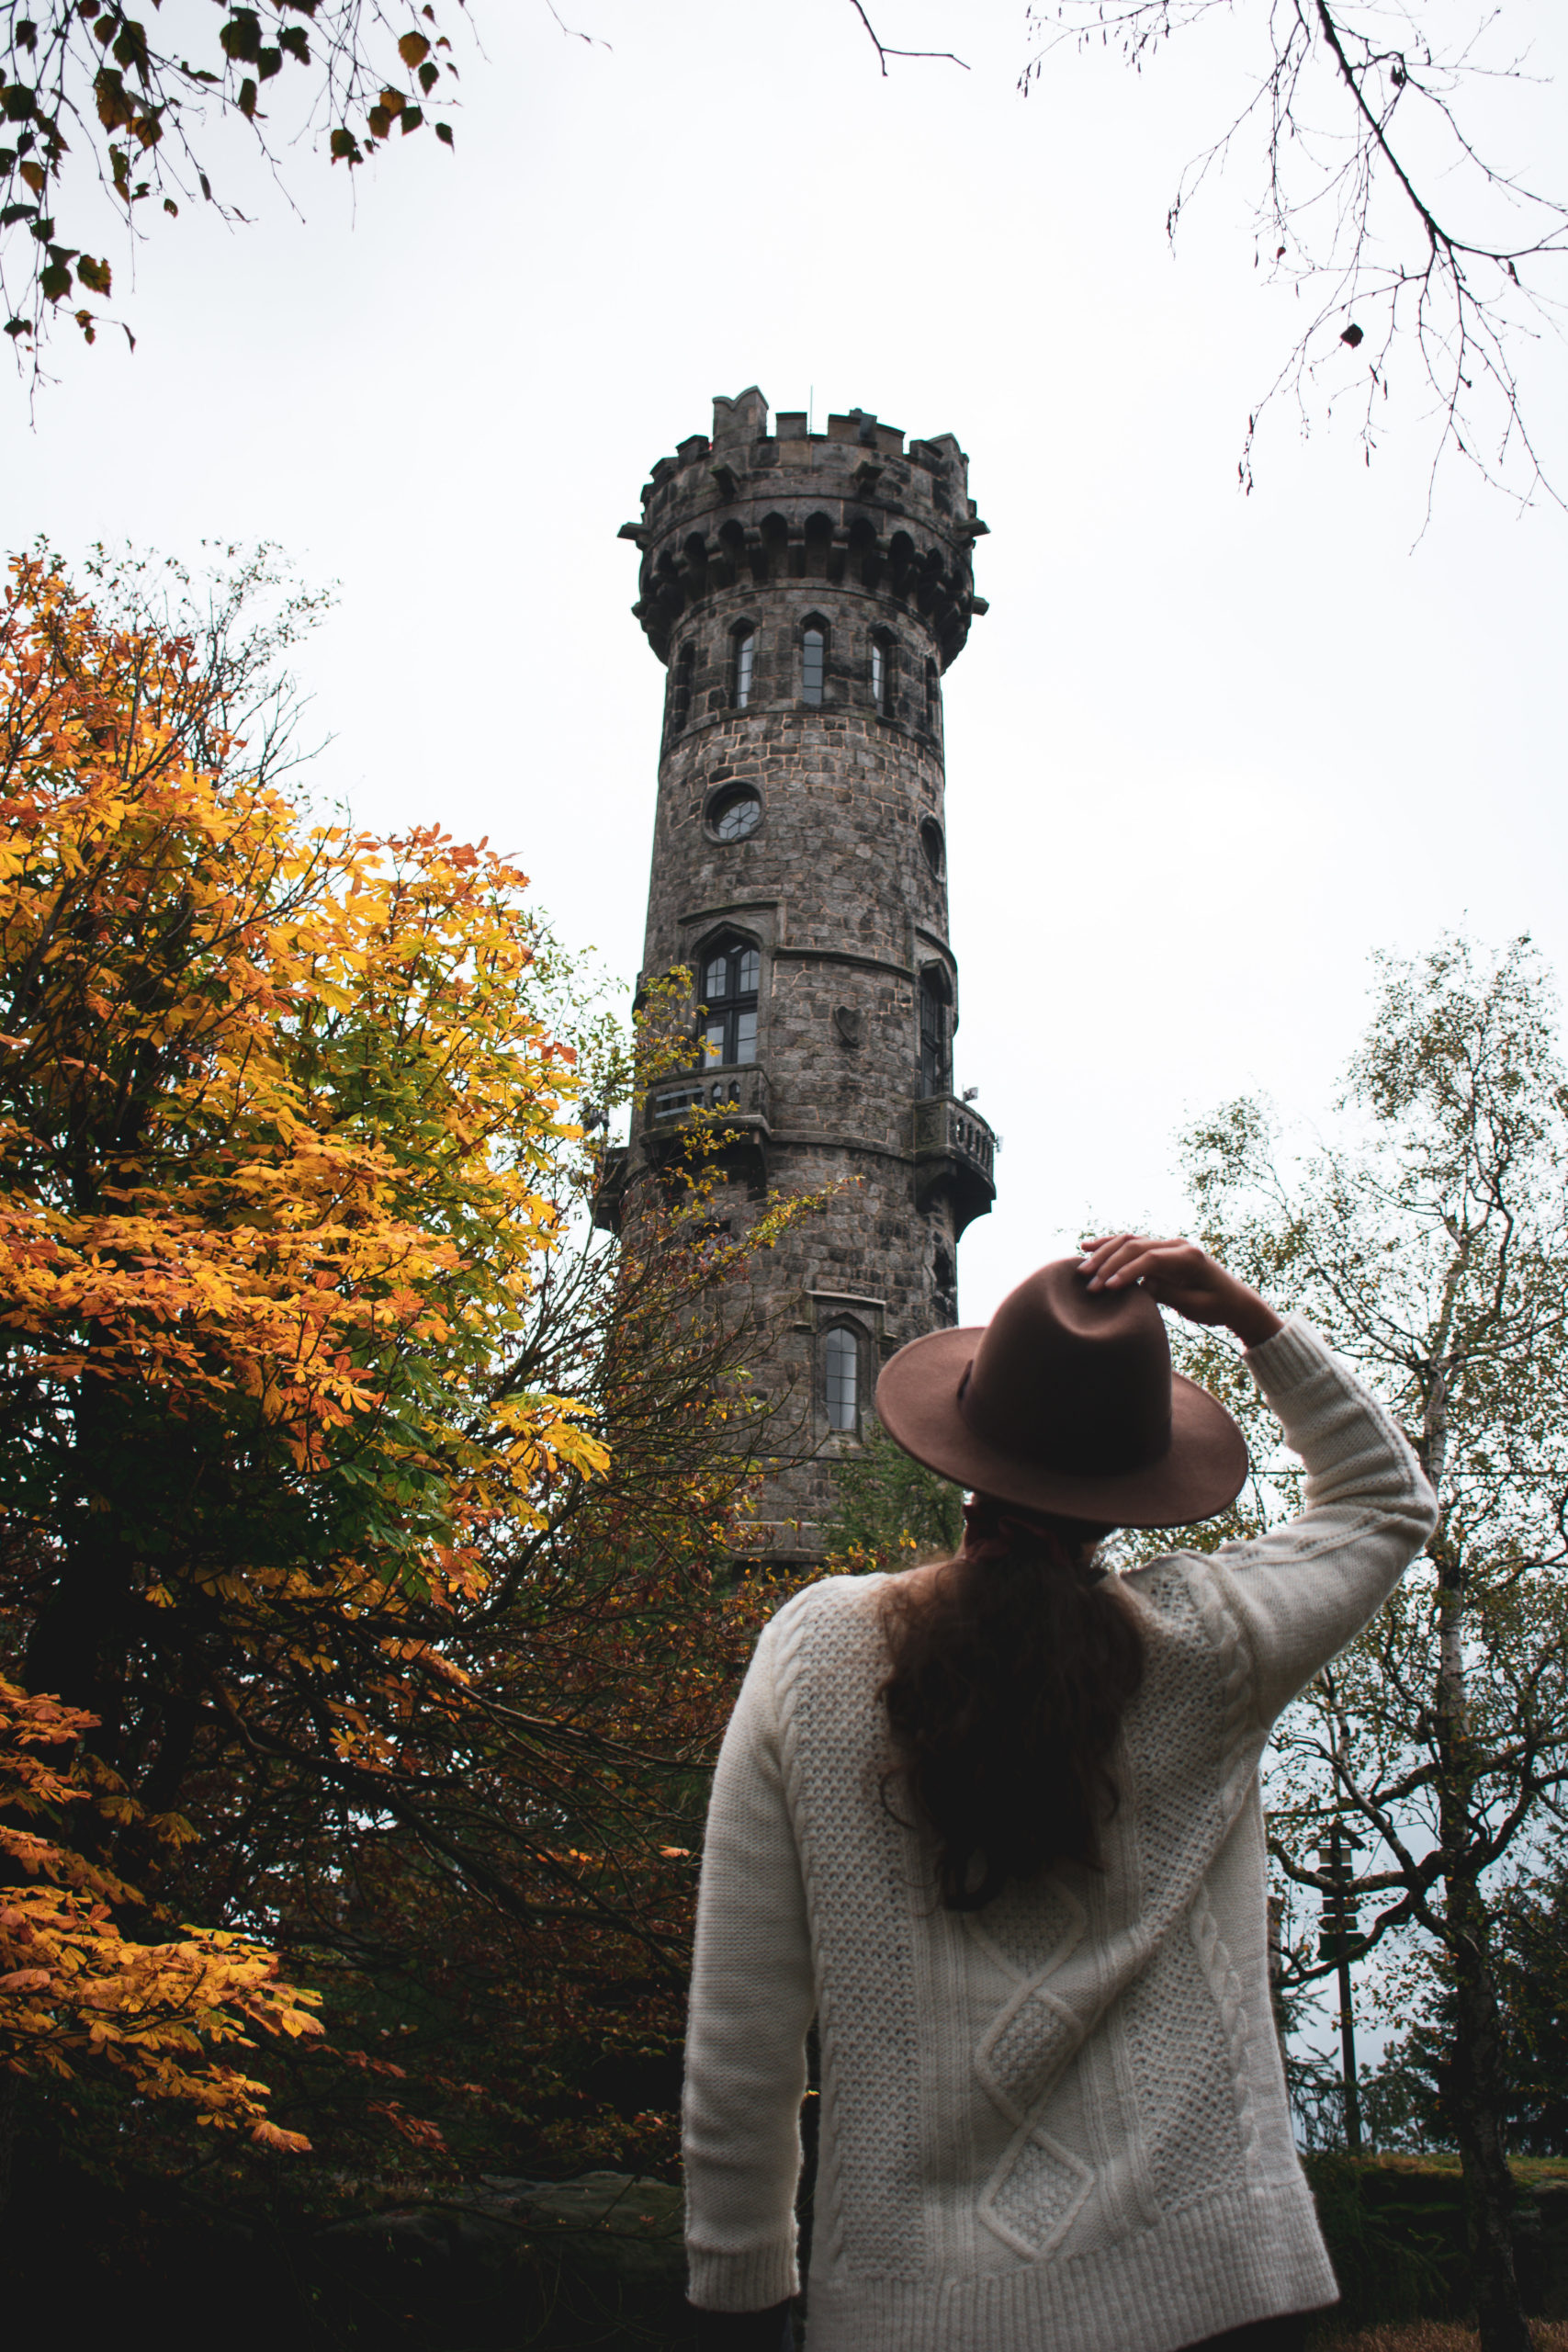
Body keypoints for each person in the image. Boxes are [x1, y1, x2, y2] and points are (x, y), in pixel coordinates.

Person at [682, 1236, 1437, 2352]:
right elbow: (1386, 1503)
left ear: (963, 1440)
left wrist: (739, 2289)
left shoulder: (816, 1653)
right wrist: (1242, 1312)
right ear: (1137, 1481)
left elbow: (744, 2020)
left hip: (915, 2310)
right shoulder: (1209, 1644)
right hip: (1219, 2288)